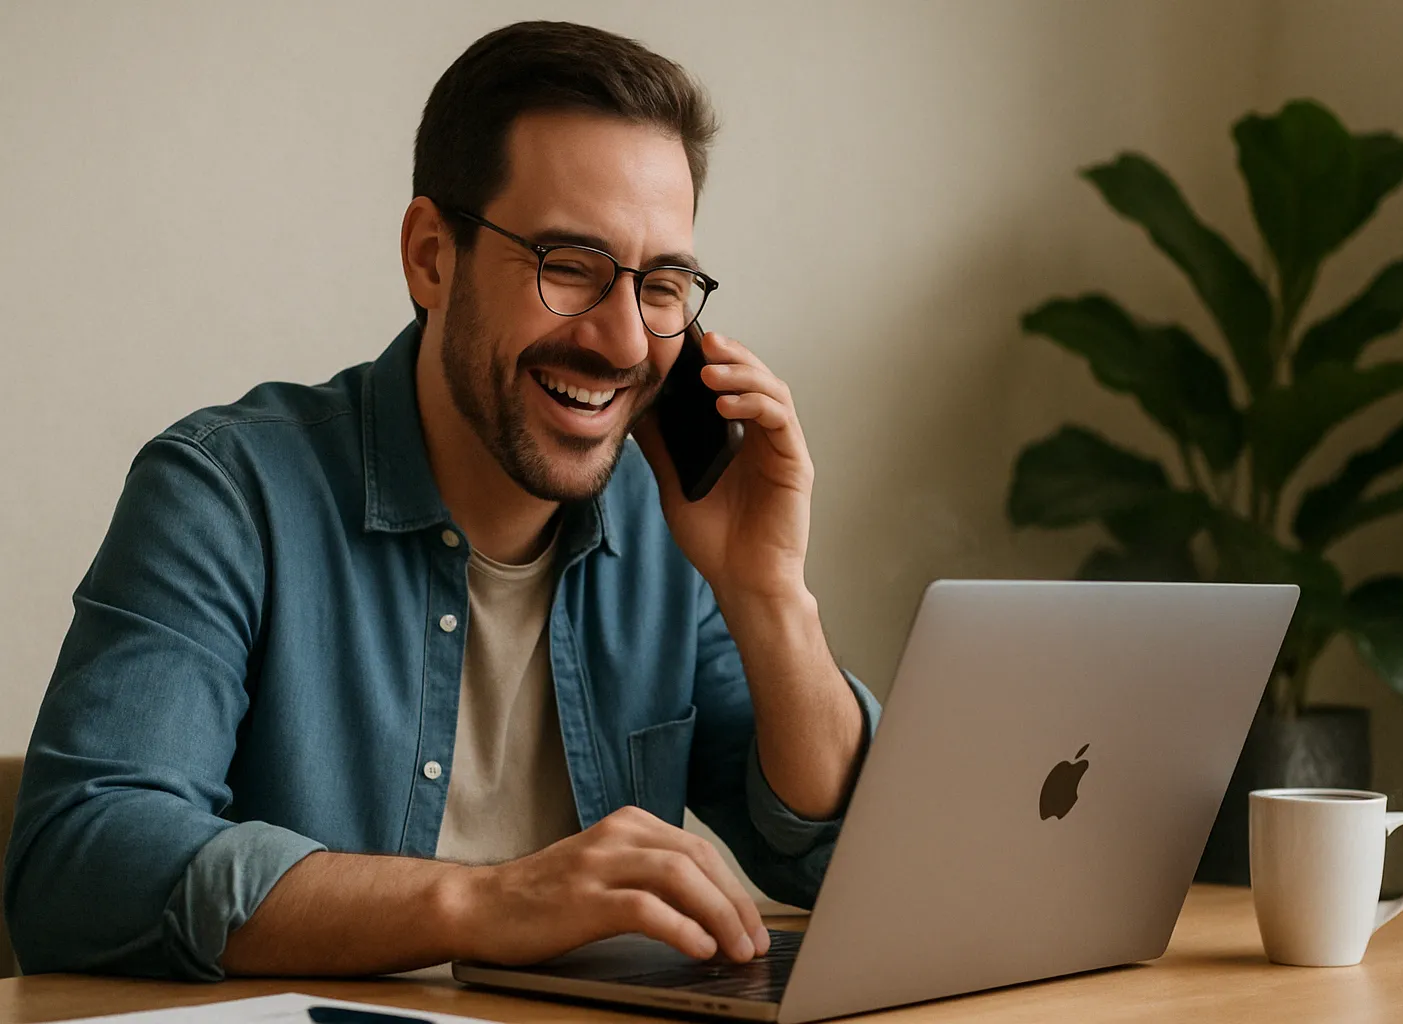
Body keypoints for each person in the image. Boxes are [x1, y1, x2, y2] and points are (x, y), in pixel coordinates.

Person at [4, 21, 879, 981]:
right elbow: (78, 864)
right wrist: (484, 902)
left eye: (662, 284)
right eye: (570, 266)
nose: (625, 342)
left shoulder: (663, 522)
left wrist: (769, 594)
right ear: (431, 255)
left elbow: (837, 857)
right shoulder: (226, 492)